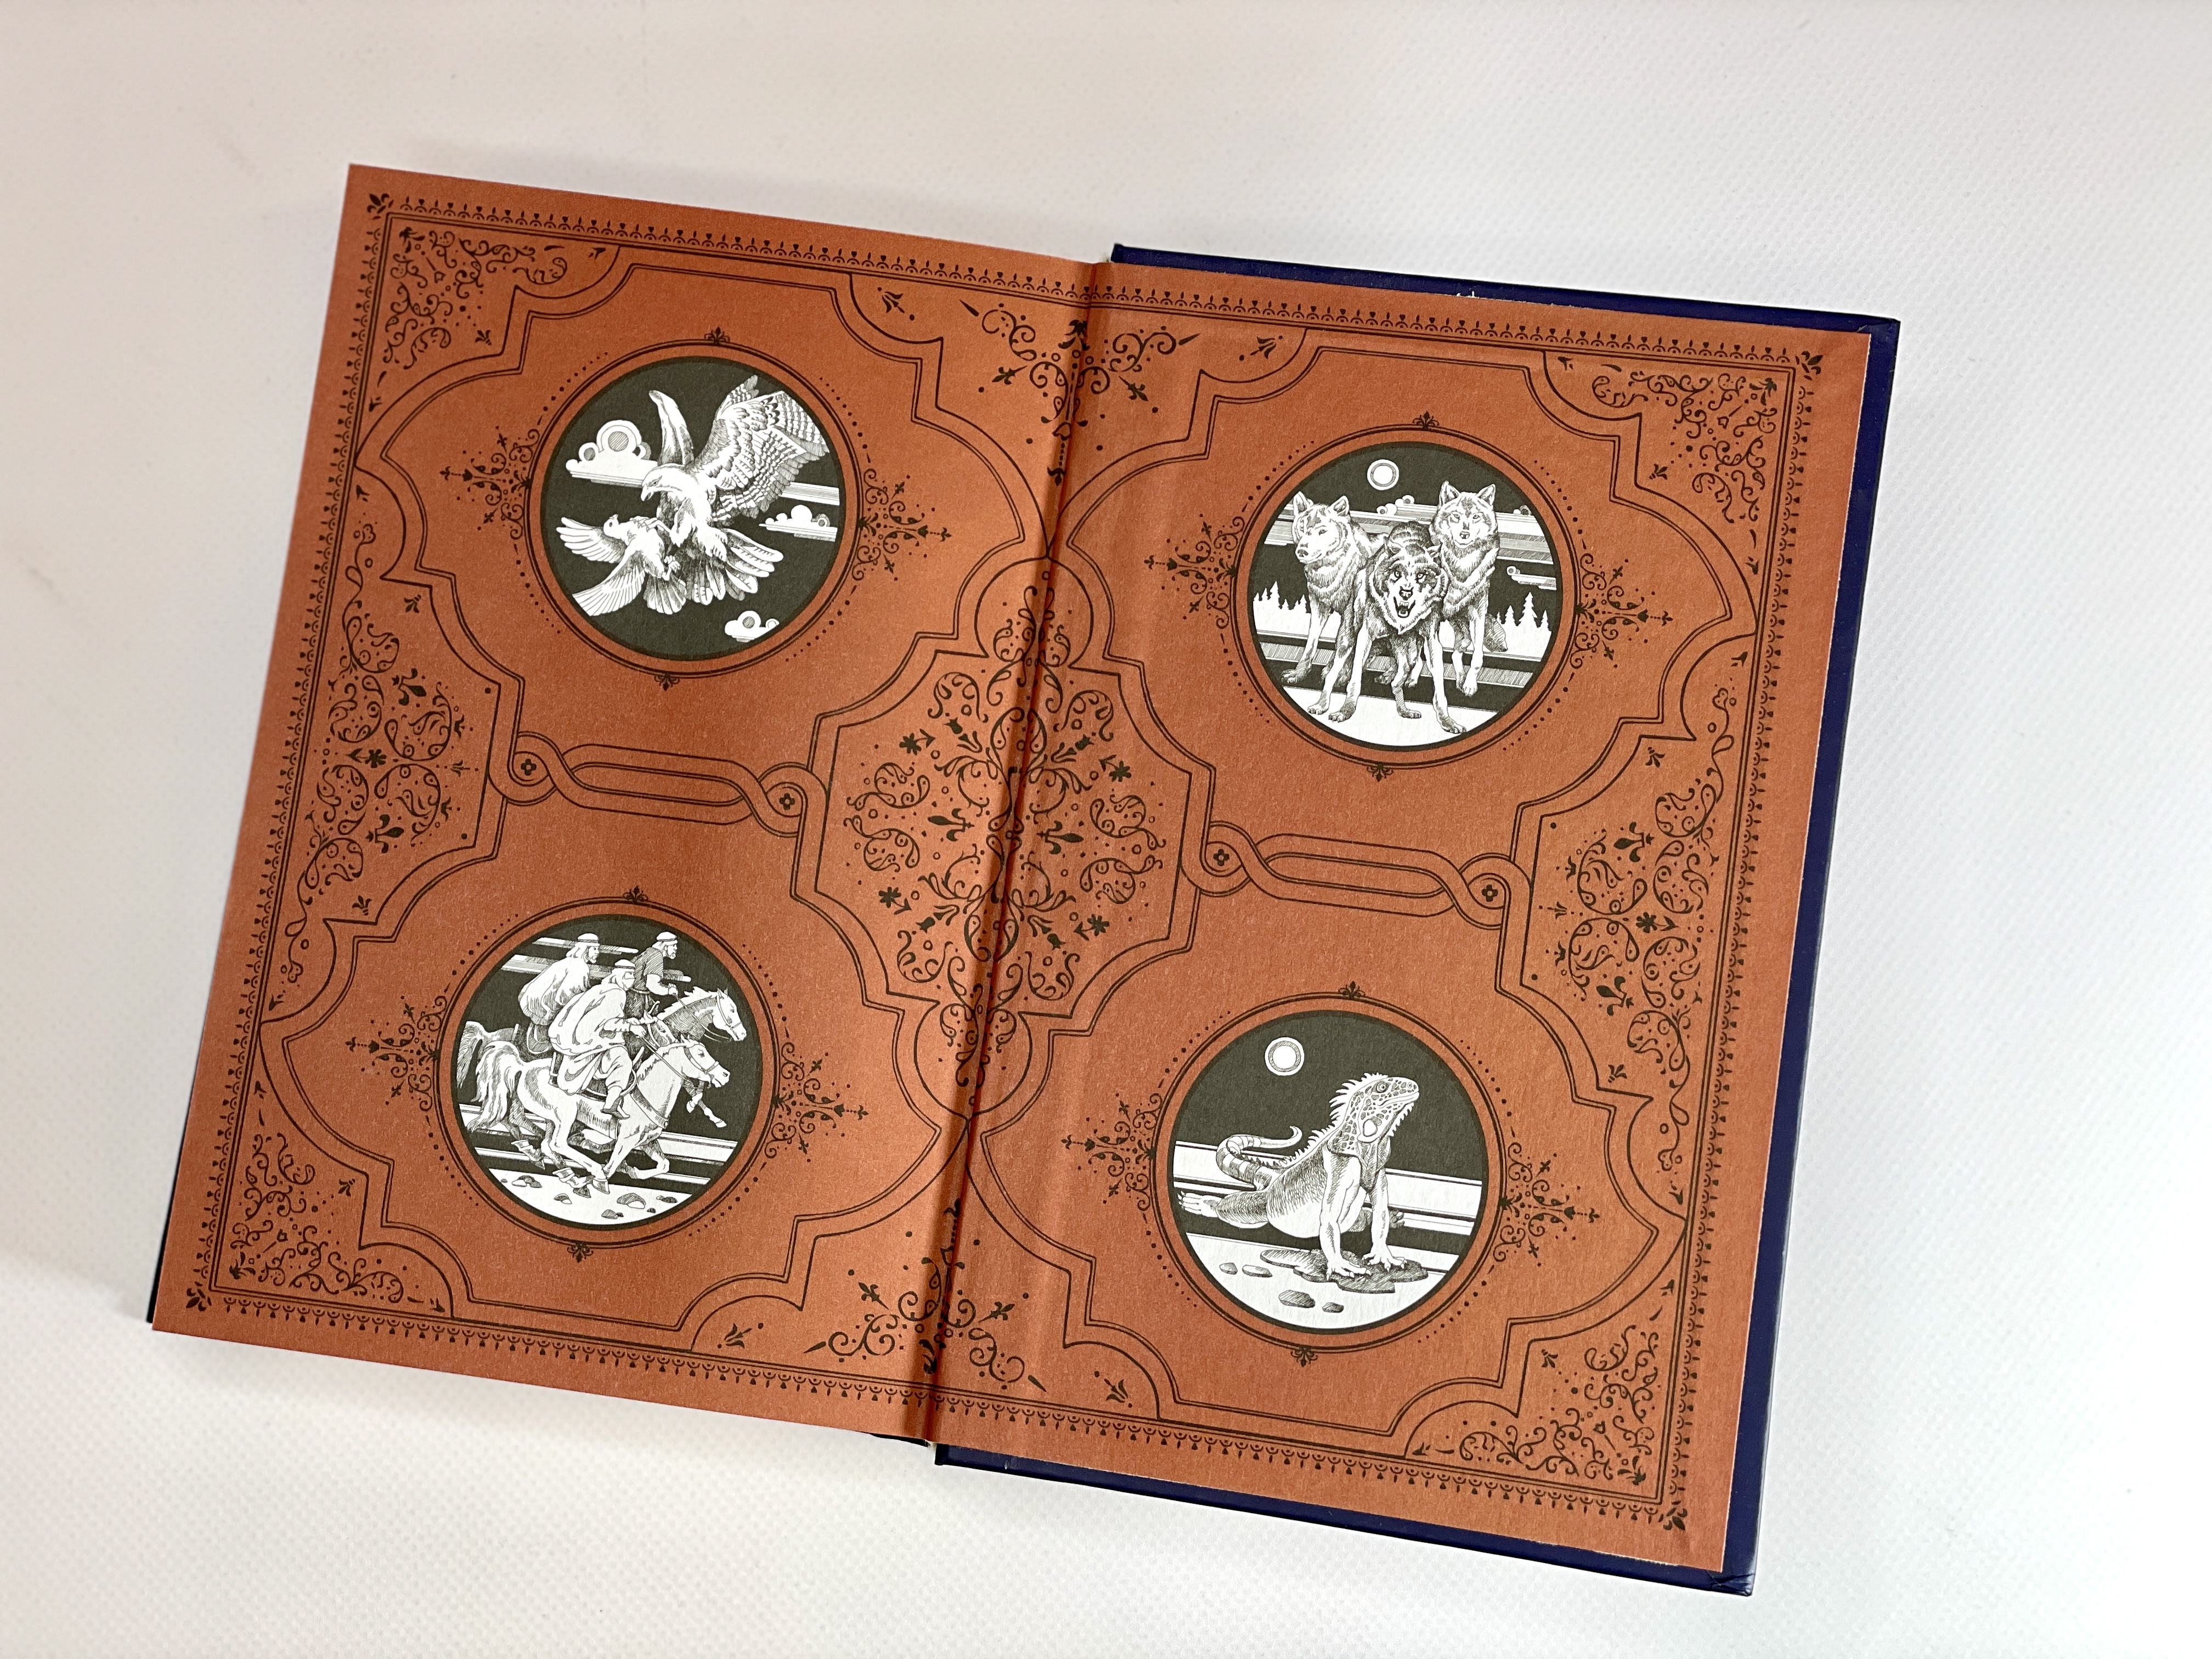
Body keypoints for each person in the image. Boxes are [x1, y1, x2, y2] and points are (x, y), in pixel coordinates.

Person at [549, 961, 643, 1102]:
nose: (633, 979)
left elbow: (602, 1018)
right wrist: (630, 1027)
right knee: (624, 1061)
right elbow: (608, 1025)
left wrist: (628, 1022)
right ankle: (611, 1103)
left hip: (580, 1037)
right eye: (631, 975)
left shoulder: (602, 989)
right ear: (622, 976)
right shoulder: (617, 993)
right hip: (590, 1042)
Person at [517, 934, 597, 1054]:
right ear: (586, 949)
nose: (597, 952)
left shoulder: (567, 962)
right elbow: (565, 998)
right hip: (549, 1017)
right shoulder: (581, 967)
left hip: (538, 1013)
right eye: (595, 949)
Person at [625, 932, 681, 1019]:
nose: (676, 948)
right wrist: (669, 991)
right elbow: (652, 985)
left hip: (633, 998)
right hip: (637, 1003)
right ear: (665, 946)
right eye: (673, 945)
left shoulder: (649, 952)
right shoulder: (656, 956)